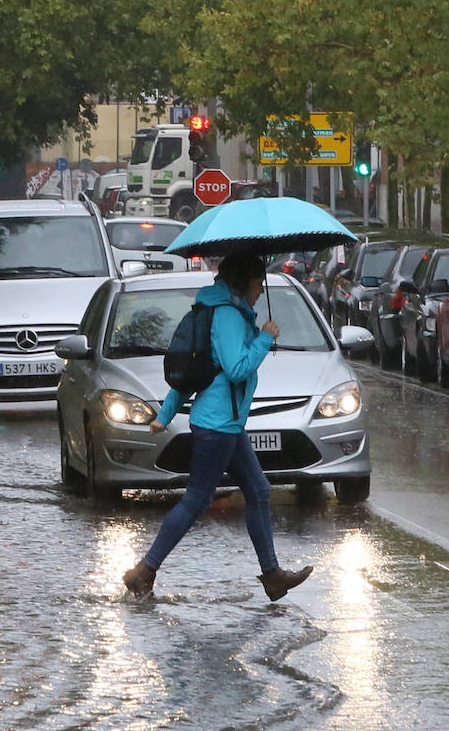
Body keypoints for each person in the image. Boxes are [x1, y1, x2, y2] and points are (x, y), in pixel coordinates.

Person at [122, 248, 313, 602]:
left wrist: (164, 416)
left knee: (258, 491)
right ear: (244, 281)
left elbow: (198, 375)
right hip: (217, 424)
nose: (261, 289)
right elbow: (236, 368)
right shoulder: (226, 316)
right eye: (259, 281)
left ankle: (272, 576)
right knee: (197, 499)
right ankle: (144, 570)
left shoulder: (231, 313)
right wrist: (263, 338)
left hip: (228, 422)